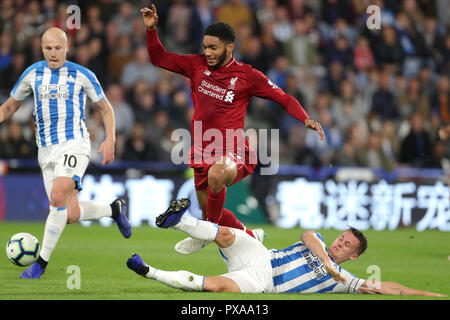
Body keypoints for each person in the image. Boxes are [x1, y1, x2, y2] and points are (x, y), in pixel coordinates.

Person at [141, 5, 325, 254]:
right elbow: (158, 58)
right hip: (202, 150)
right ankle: (250, 237)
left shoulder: (247, 75)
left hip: (233, 149)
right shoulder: (196, 66)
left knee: (217, 178)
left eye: (213, 47)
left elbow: (283, 98)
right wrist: (152, 30)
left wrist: (305, 118)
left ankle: (206, 233)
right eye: (205, 47)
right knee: (210, 214)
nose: (207, 52)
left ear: (229, 47)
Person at [0, 27, 132, 279]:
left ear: (67, 47)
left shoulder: (82, 75)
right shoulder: (32, 74)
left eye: (58, 48)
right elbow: (9, 107)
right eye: (48, 48)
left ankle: (41, 263)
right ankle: (114, 210)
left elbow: (105, 108)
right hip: (45, 151)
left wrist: (110, 139)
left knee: (58, 196)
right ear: (41, 48)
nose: (53, 52)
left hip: (74, 144)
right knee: (68, 213)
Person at [127, 199, 445, 297]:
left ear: (354, 256)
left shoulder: (345, 281)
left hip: (264, 284)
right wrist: (328, 264)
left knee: (215, 287)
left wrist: (432, 295)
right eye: (341, 237)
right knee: (226, 234)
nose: (340, 242)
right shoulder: (320, 243)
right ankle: (177, 221)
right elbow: (308, 236)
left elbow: (386, 288)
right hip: (263, 258)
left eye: (346, 244)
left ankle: (148, 271)